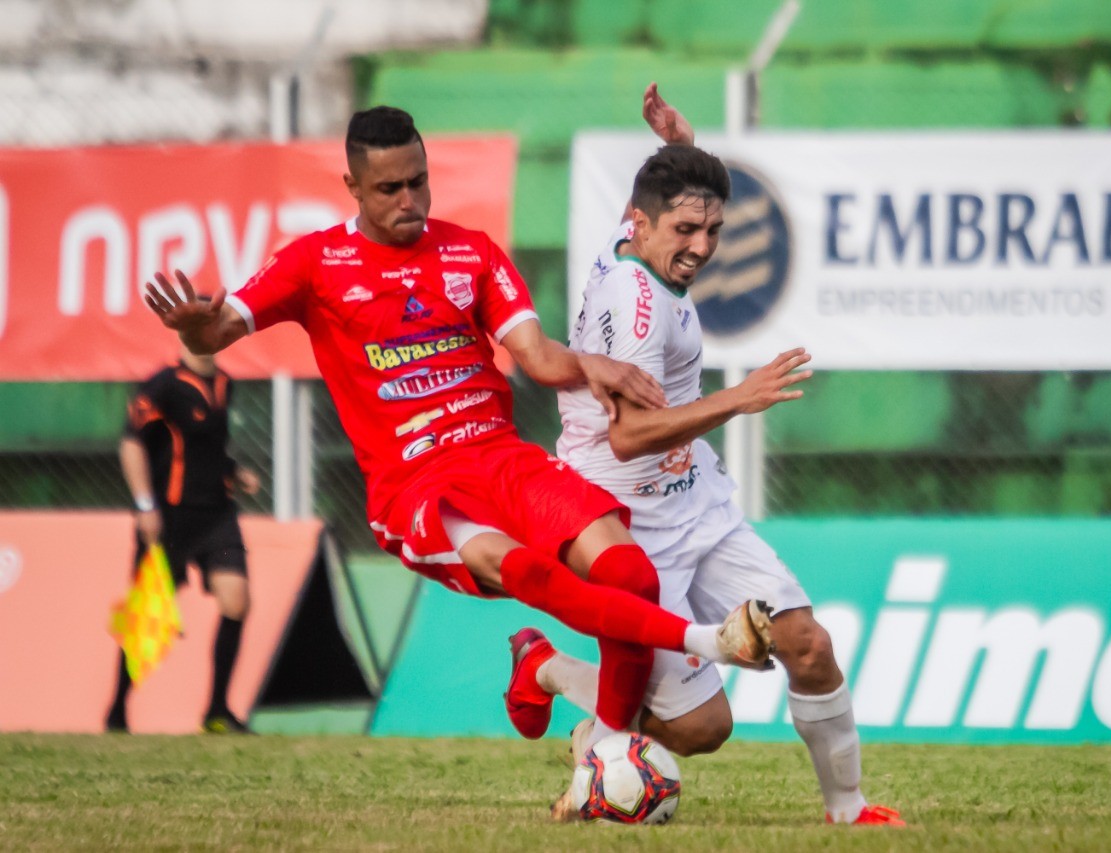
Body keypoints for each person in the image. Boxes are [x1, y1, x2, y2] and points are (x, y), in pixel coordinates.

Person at [140, 105, 776, 775]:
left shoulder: (470, 251)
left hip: (501, 457)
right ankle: (703, 644)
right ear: (353, 186)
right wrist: (193, 330)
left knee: (630, 573)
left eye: (419, 180)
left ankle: (590, 731)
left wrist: (591, 364)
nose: (410, 200)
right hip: (417, 483)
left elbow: (535, 357)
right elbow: (216, 334)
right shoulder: (313, 263)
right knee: (524, 570)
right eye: (390, 189)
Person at [504, 84, 903, 826]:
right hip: (627, 526)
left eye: (713, 230)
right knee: (701, 729)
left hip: (697, 504)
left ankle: (849, 812)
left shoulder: (638, 243)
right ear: (643, 222)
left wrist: (680, 141)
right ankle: (550, 671)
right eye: (687, 229)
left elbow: (666, 196)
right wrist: (737, 398)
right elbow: (626, 435)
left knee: (807, 644)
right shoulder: (638, 307)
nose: (702, 247)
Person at [106, 338, 261, 734]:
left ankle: (217, 711)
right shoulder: (162, 386)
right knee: (147, 618)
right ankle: (117, 711)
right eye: (199, 326)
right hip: (168, 519)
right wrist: (144, 505)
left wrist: (233, 471)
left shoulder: (226, 382)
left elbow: (207, 447)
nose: (209, 335)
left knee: (236, 599)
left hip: (217, 515)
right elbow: (131, 444)